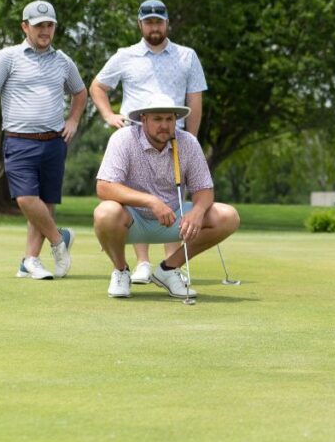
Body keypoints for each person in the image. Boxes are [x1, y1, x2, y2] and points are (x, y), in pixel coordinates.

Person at [0, 0, 87, 280]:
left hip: (54, 141)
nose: (45, 31)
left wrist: (73, 120)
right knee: (26, 198)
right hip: (20, 141)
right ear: (25, 27)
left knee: (46, 201)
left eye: (49, 25)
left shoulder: (63, 61)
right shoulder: (7, 57)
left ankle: (30, 261)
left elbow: (80, 93)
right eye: (39, 26)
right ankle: (59, 239)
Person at [89, 0, 207, 286]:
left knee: (170, 198)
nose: (154, 26)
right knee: (136, 194)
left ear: (167, 23)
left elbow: (194, 98)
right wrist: (108, 116)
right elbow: (98, 86)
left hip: (173, 134)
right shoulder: (125, 55)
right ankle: (141, 263)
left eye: (159, 21)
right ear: (140, 24)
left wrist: (191, 138)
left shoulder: (186, 55)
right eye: (149, 21)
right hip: (133, 135)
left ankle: (170, 266)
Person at [93, 94, 240, 299]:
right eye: (157, 119)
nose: (164, 125)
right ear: (143, 119)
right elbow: (104, 187)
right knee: (105, 212)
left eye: (169, 119)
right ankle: (121, 270)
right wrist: (151, 201)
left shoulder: (188, 142)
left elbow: (204, 189)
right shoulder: (123, 139)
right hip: (132, 220)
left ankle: (169, 269)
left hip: (174, 219)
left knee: (228, 216)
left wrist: (198, 211)